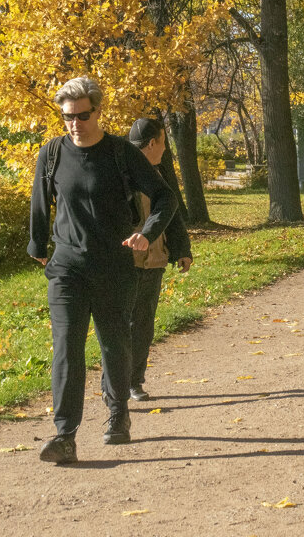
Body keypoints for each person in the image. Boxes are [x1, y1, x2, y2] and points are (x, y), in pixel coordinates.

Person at [29, 78, 176, 464]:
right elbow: (41, 204)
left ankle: (118, 414)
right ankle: (65, 435)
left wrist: (147, 233)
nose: (74, 123)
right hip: (67, 269)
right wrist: (38, 246)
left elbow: (165, 196)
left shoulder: (121, 153)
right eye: (66, 117)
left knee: (113, 344)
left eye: (81, 115)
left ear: (97, 111)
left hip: (113, 267)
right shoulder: (52, 154)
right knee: (66, 348)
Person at [120, 118, 193, 402]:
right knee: (119, 325)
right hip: (125, 261)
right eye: (163, 143)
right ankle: (114, 383)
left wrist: (182, 249)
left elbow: (171, 215)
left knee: (143, 324)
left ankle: (134, 382)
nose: (164, 149)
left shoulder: (159, 173)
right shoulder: (120, 172)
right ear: (152, 143)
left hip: (154, 261)